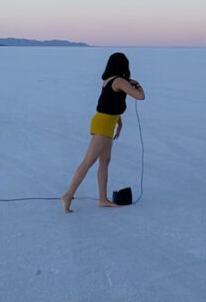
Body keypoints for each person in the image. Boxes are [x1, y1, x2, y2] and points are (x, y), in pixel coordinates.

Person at [62, 52, 145, 213]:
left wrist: (119, 123)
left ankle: (103, 199)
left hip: (106, 122)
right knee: (88, 162)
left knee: (104, 162)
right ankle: (68, 195)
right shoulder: (120, 81)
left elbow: (109, 103)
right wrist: (138, 86)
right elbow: (140, 97)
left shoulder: (109, 80)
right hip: (103, 125)